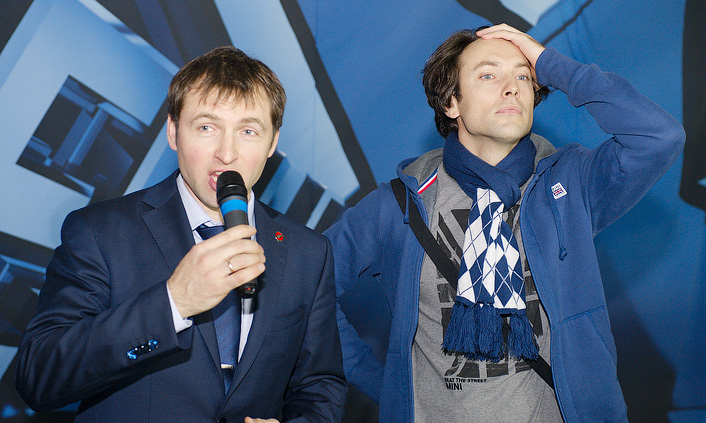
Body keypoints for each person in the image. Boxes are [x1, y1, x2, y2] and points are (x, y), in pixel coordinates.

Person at [324, 24, 685, 423]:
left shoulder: (570, 184)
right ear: (451, 103)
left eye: (523, 76)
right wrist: (385, 384)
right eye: (488, 75)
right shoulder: (398, 205)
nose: (511, 88)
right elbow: (309, 289)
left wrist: (550, 63)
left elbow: (660, 136)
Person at [15, 46, 346, 423]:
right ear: (173, 132)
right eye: (207, 127)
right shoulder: (99, 231)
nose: (226, 153)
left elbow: (319, 385)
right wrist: (174, 302)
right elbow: (39, 377)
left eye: (248, 131)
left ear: (272, 143)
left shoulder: (308, 252)